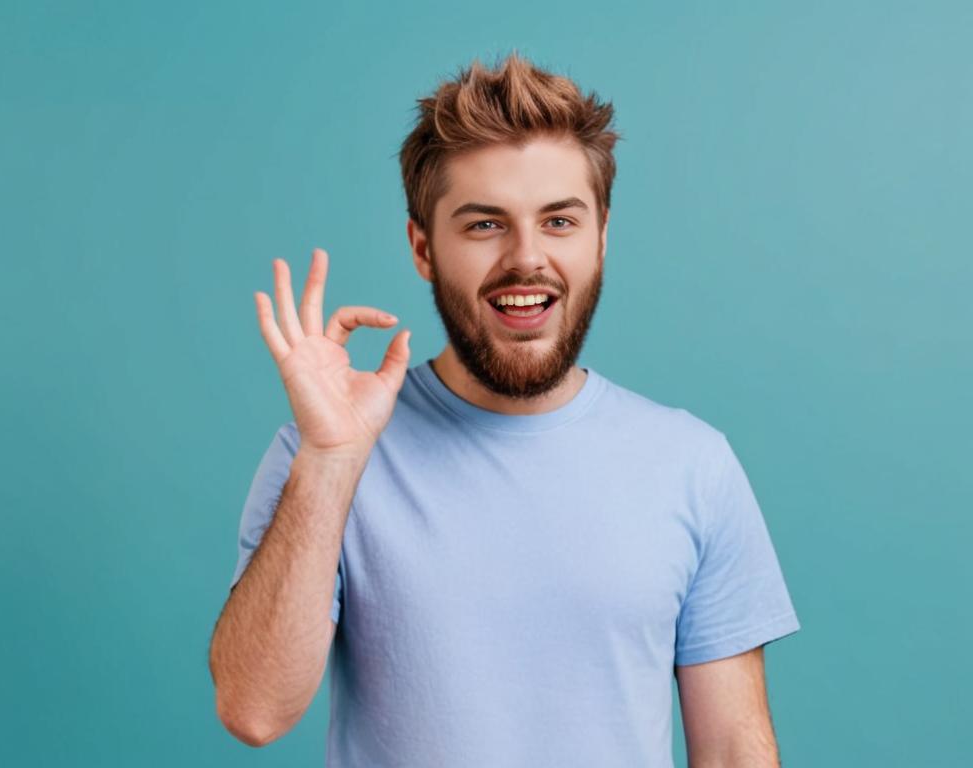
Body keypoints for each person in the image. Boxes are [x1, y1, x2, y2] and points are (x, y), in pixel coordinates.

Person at [208, 51, 801, 767]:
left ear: (601, 237)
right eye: (485, 225)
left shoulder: (692, 464)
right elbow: (252, 710)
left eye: (559, 221)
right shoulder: (323, 456)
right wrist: (330, 462)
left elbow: (736, 749)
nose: (527, 259)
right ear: (423, 249)